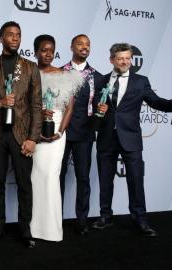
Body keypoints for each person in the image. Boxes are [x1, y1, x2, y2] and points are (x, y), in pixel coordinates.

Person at [93, 43, 172, 237]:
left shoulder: (140, 81)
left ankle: (140, 220)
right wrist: (97, 110)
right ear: (111, 59)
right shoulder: (100, 80)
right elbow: (94, 107)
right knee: (104, 180)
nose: (125, 61)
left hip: (131, 139)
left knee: (136, 181)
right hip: (106, 138)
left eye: (128, 58)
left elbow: (156, 101)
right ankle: (105, 216)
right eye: (120, 58)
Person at [0, 21, 42, 248]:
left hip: (21, 134)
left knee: (25, 184)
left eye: (18, 35)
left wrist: (33, 138)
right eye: (10, 35)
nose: (15, 38)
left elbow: (36, 105)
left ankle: (25, 229)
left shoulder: (30, 67)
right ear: (0, 38)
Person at [30, 34, 86, 241]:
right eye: (44, 50)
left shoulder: (65, 74)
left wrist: (60, 132)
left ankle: (52, 230)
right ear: (35, 51)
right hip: (36, 132)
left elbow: (70, 108)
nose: (48, 54)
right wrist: (35, 130)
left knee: (51, 177)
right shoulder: (30, 74)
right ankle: (34, 228)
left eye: (51, 50)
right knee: (36, 177)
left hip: (56, 133)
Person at [59, 34, 104, 235]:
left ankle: (82, 221)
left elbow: (99, 108)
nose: (84, 47)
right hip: (61, 132)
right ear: (72, 47)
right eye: (80, 44)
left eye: (87, 44)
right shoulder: (60, 72)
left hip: (85, 134)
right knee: (58, 177)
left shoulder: (98, 76)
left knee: (83, 178)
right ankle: (55, 219)